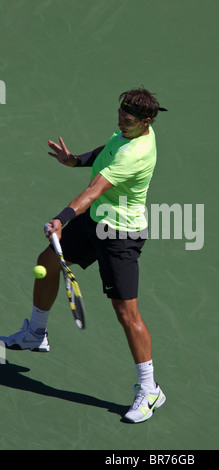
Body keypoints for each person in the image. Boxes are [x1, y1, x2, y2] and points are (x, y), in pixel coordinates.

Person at [0, 87, 168, 423]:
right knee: (47, 260)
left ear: (146, 122)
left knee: (126, 313)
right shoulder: (126, 134)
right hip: (96, 221)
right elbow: (107, 150)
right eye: (120, 117)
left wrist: (61, 219)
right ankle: (36, 333)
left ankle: (150, 389)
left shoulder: (136, 153)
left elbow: (94, 190)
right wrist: (76, 159)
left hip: (119, 235)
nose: (122, 124)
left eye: (129, 121)